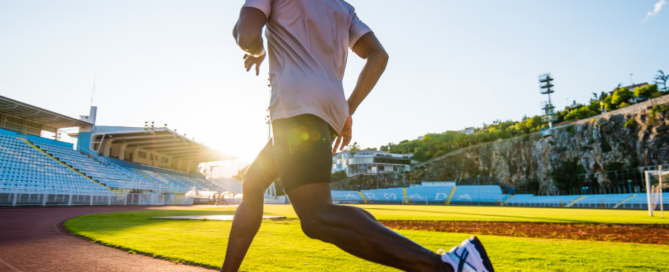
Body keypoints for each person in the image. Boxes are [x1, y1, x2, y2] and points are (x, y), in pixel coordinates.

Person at [222, 1, 495, 271]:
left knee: (316, 216)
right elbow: (378, 55)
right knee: (254, 183)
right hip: (327, 108)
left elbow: (246, 35)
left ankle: (447, 266)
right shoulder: (343, 7)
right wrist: (346, 109)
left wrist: (257, 51)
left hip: (296, 105)